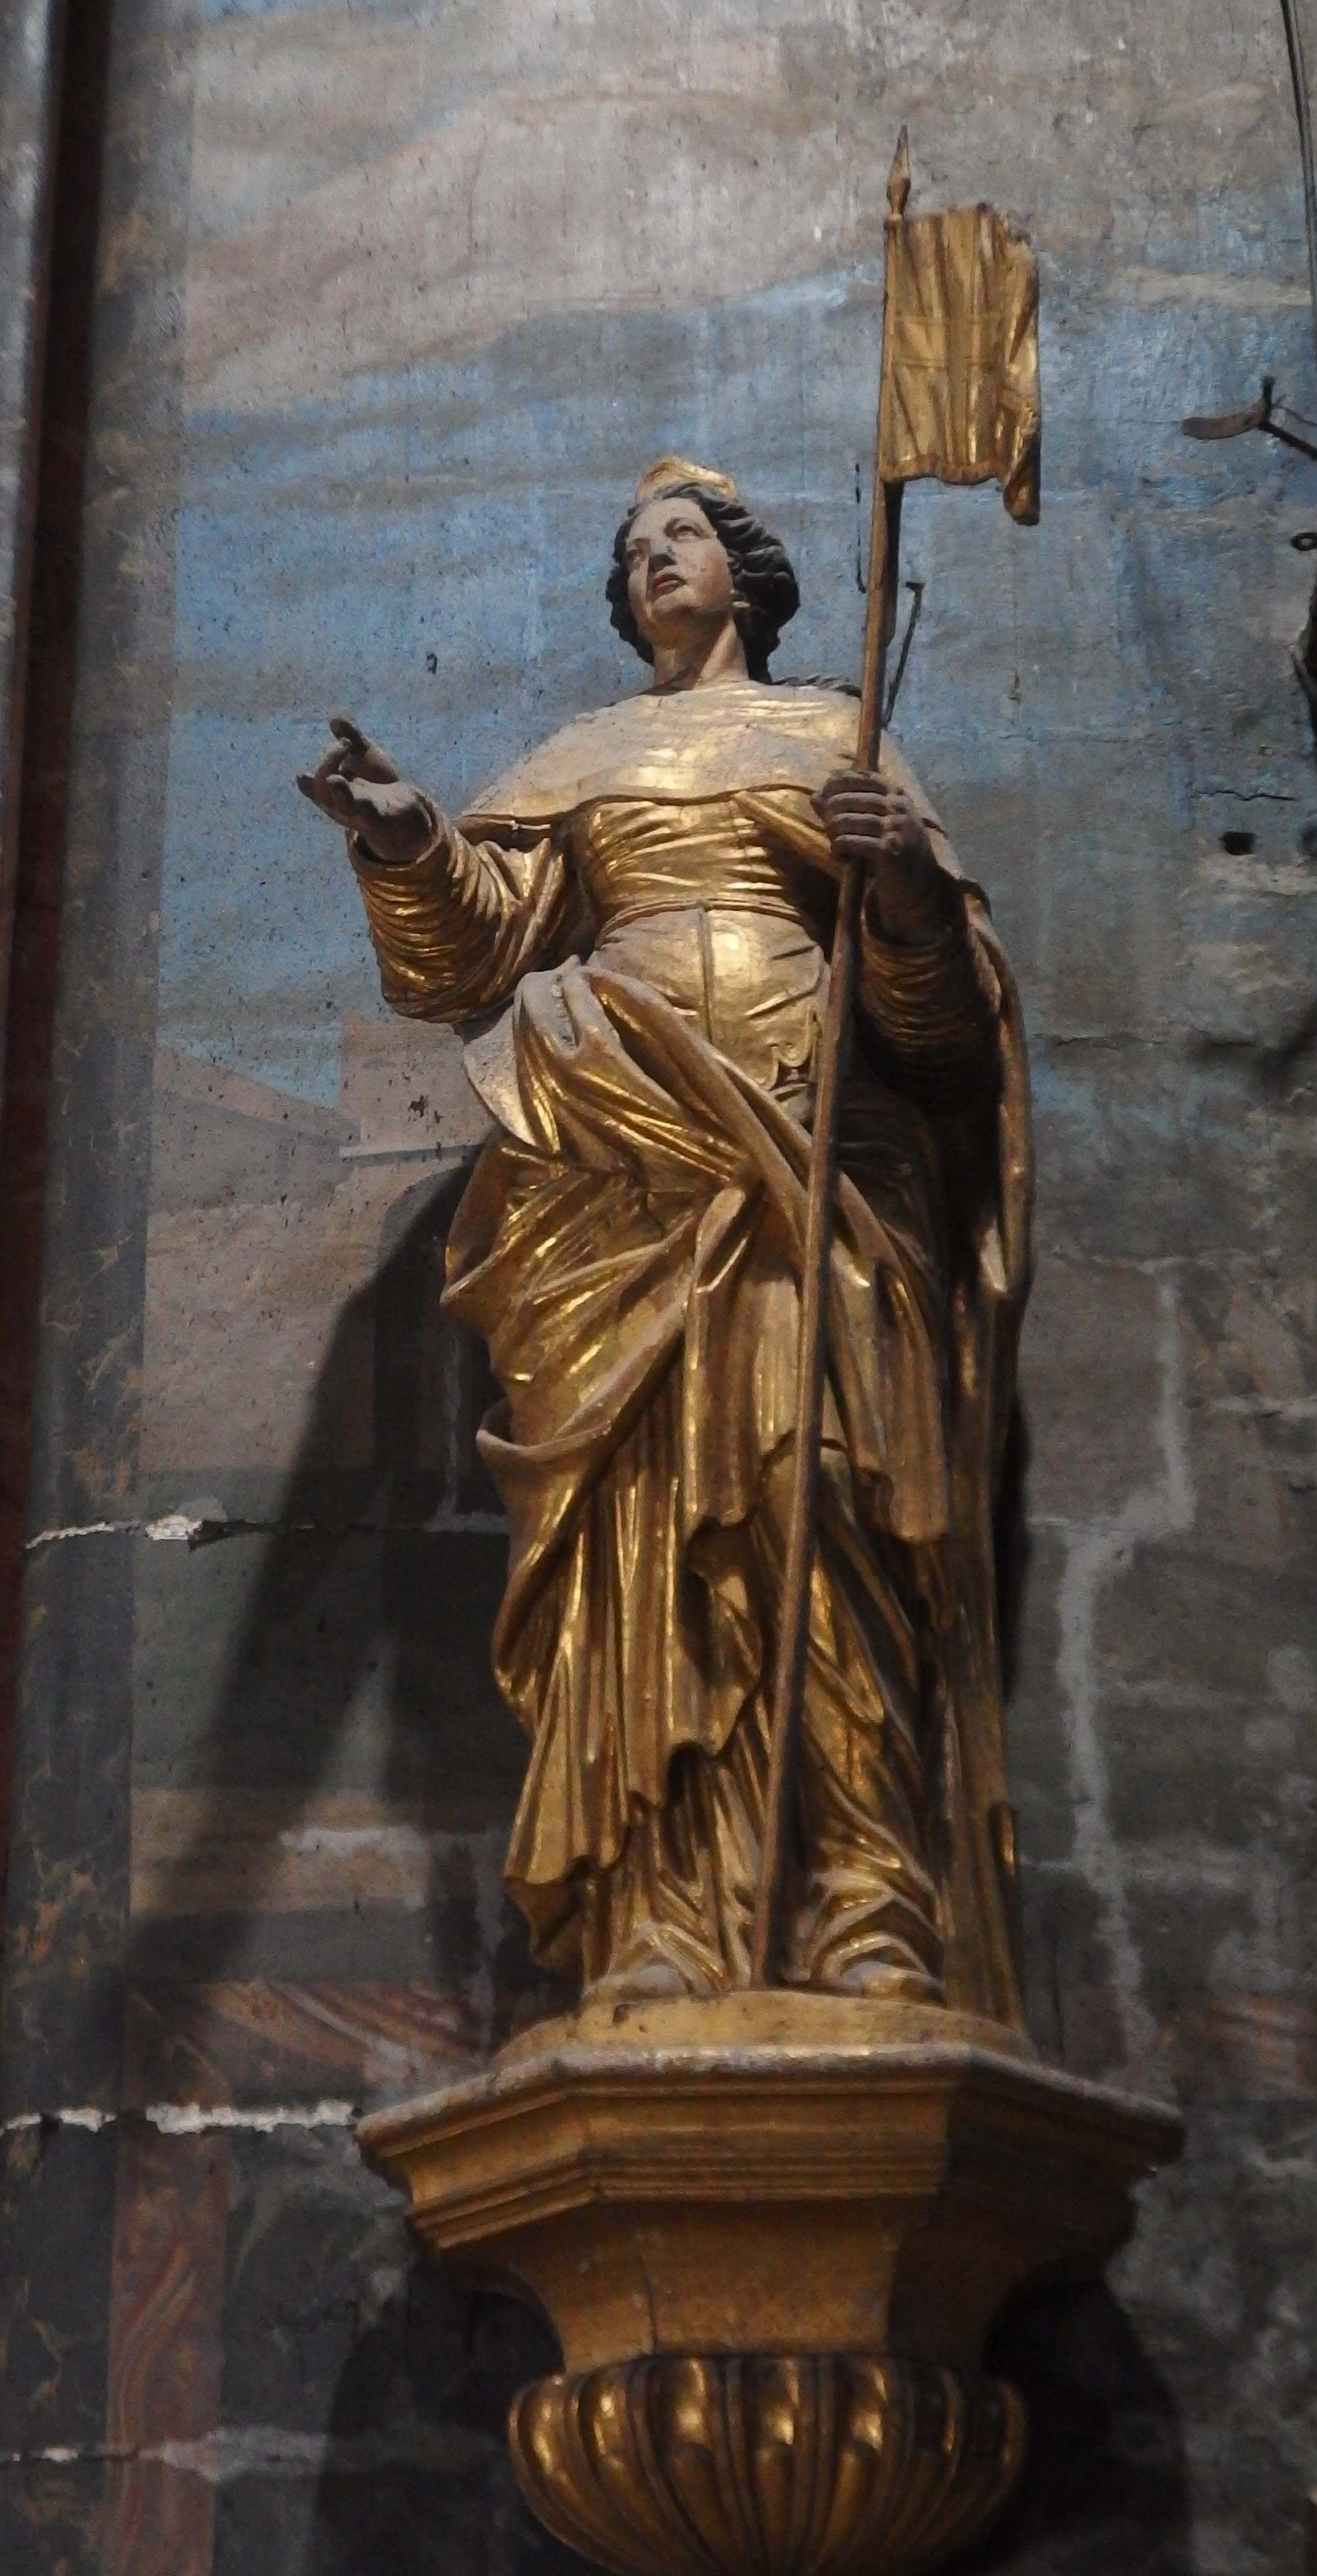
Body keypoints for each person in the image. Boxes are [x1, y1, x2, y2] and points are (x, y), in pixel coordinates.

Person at [299, 456, 1032, 2022]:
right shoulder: (583, 758)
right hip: (614, 1174)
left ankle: (865, 1910)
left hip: (816, 1166)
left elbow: (946, 1034)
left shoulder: (838, 742)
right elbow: (472, 953)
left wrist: (905, 888)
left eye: (682, 537)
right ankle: (662, 1913)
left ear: (744, 572)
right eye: (634, 549)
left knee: (819, 1500)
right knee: (637, 1539)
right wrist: (410, 844)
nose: (654, 561)